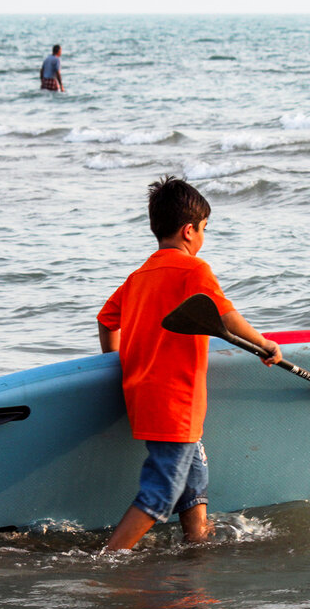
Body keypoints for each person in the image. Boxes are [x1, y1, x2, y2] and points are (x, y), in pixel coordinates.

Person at [97, 177, 281, 551]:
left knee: (194, 477)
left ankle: (197, 542)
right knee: (162, 490)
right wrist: (263, 344)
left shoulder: (138, 277)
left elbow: (105, 319)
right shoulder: (193, 270)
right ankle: (108, 560)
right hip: (175, 400)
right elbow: (225, 317)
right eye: (204, 230)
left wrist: (116, 363)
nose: (203, 239)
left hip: (144, 395)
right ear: (188, 231)